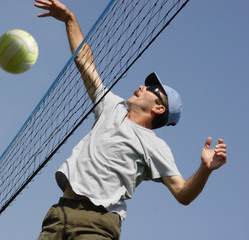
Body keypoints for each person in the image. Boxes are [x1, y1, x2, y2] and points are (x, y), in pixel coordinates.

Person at [34, 0, 227, 239]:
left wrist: (205, 169)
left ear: (158, 108)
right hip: (59, 215)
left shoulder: (155, 146)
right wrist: (70, 19)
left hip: (97, 224)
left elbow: (182, 193)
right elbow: (84, 62)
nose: (141, 86)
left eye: (151, 88)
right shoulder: (111, 106)